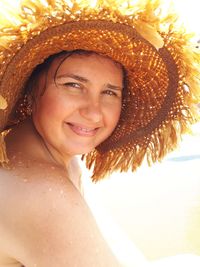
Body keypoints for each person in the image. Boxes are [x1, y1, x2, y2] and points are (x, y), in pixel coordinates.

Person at [0, 0, 199, 266]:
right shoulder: (44, 194)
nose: (94, 113)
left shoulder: (53, 153)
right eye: (73, 85)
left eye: (109, 92)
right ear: (32, 91)